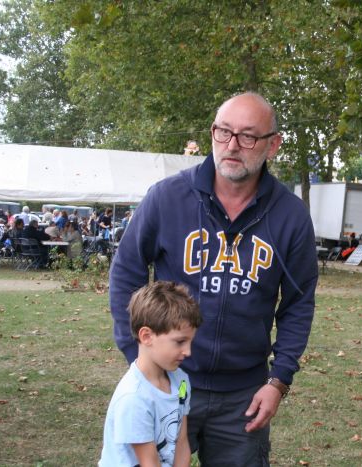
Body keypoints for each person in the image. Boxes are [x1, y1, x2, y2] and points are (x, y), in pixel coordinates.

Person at [109, 92, 318, 466]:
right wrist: (137, 356)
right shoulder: (168, 198)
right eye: (224, 132)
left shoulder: (290, 215)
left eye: (248, 136)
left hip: (243, 395)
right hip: (166, 382)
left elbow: (298, 303)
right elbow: (126, 273)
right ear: (212, 133)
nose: (232, 146)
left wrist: (279, 381)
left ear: (273, 145)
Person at [100, 281, 202, 467]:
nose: (188, 352)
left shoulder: (181, 382)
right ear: (146, 336)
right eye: (180, 342)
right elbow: (149, 462)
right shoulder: (134, 398)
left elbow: (181, 441)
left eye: (190, 342)